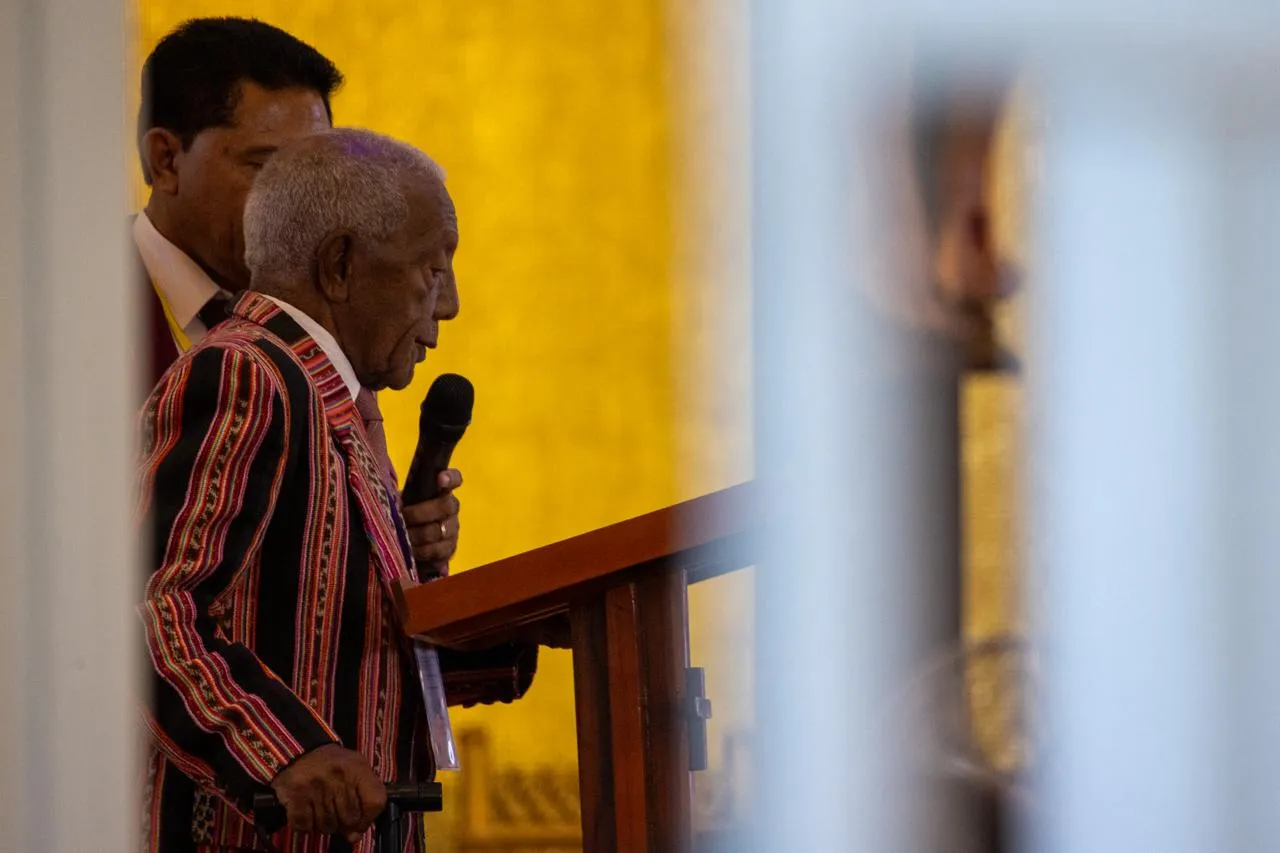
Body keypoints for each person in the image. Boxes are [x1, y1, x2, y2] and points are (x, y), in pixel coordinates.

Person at [134, 16, 537, 706]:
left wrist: (395, 554)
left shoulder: (329, 342)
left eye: (316, 169)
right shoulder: (54, 328)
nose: (300, 198)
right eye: (267, 167)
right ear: (166, 160)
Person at [138, 129, 481, 852]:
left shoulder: (333, 404)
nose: (447, 304)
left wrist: (522, 624)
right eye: (432, 268)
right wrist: (285, 751)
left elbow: (343, 646)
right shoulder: (246, 375)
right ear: (342, 265)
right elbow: (158, 611)